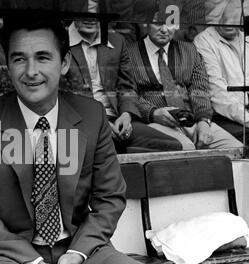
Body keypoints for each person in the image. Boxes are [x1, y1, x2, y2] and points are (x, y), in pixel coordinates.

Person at [0, 16, 167, 264]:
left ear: (63, 63)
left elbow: (110, 197)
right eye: (19, 59)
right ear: (8, 65)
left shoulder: (91, 116)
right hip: (2, 252)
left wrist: (78, 252)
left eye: (43, 58)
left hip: (76, 246)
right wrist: (34, 262)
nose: (31, 71)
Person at [65, 9, 183, 153]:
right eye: (84, 10)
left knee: (173, 147)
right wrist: (99, 122)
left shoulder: (117, 40)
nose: (91, 18)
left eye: (96, 11)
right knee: (103, 149)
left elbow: (126, 87)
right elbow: (61, 95)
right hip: (80, 120)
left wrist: (126, 114)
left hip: (117, 117)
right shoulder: (60, 40)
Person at [127, 14, 243, 150]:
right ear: (146, 24)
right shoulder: (129, 53)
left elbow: (200, 89)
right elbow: (127, 93)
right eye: (158, 24)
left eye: (170, 24)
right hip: (153, 122)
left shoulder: (189, 50)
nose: (164, 30)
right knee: (186, 149)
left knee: (237, 150)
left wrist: (203, 120)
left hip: (191, 120)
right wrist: (153, 113)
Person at [194, 0, 249, 143]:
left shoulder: (246, 40)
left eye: (234, 18)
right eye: (223, 18)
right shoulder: (203, 41)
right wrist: (247, 119)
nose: (229, 23)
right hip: (224, 116)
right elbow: (217, 93)